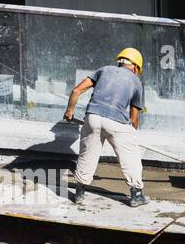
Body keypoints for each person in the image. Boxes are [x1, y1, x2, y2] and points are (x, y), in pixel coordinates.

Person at [63, 47, 147, 208]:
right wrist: (129, 135)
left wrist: (69, 111)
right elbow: (134, 119)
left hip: (93, 116)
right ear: (136, 67)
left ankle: (79, 192)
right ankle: (136, 195)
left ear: (120, 62)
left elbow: (76, 91)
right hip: (117, 123)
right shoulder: (136, 82)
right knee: (131, 157)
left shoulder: (103, 70)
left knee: (87, 154)